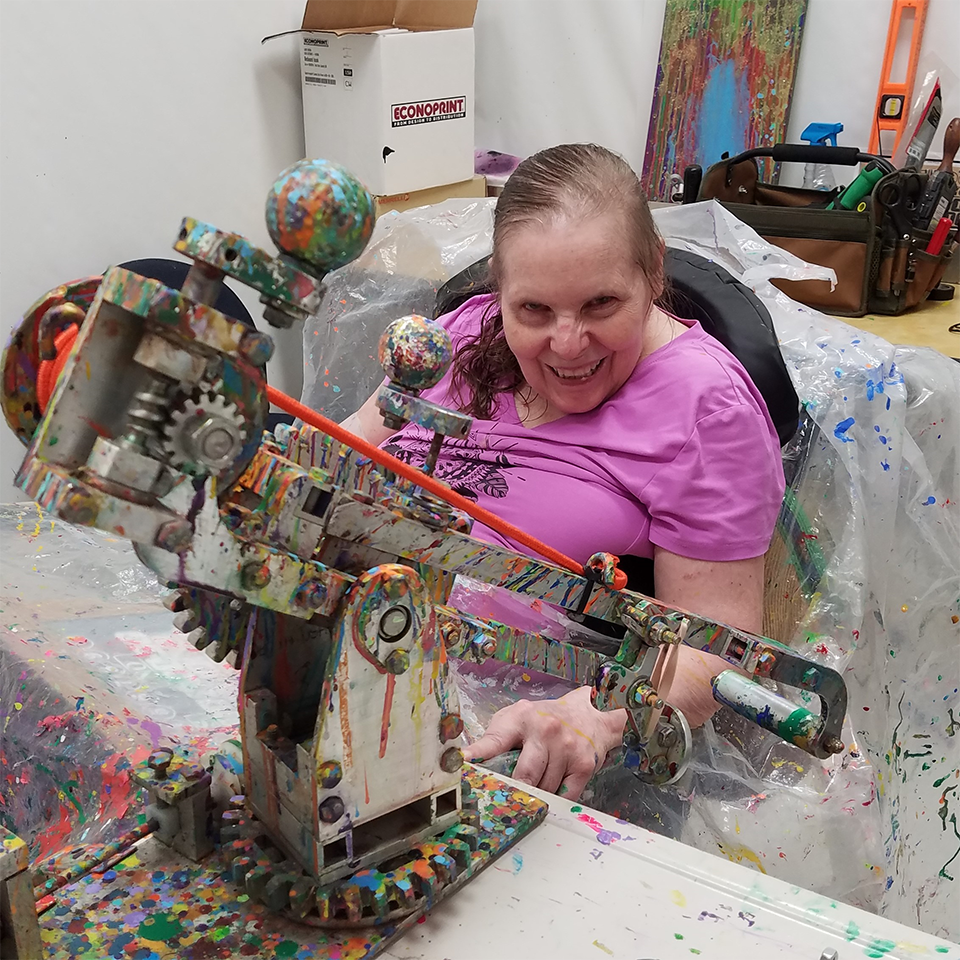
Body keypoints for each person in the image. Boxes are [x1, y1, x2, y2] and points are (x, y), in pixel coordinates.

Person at [343, 143, 785, 800]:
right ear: (501, 285)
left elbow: (719, 647)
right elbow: (338, 462)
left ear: (652, 270)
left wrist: (598, 714)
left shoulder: (706, 410)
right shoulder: (462, 335)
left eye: (602, 304)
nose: (569, 344)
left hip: (537, 754)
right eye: (534, 310)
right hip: (363, 682)